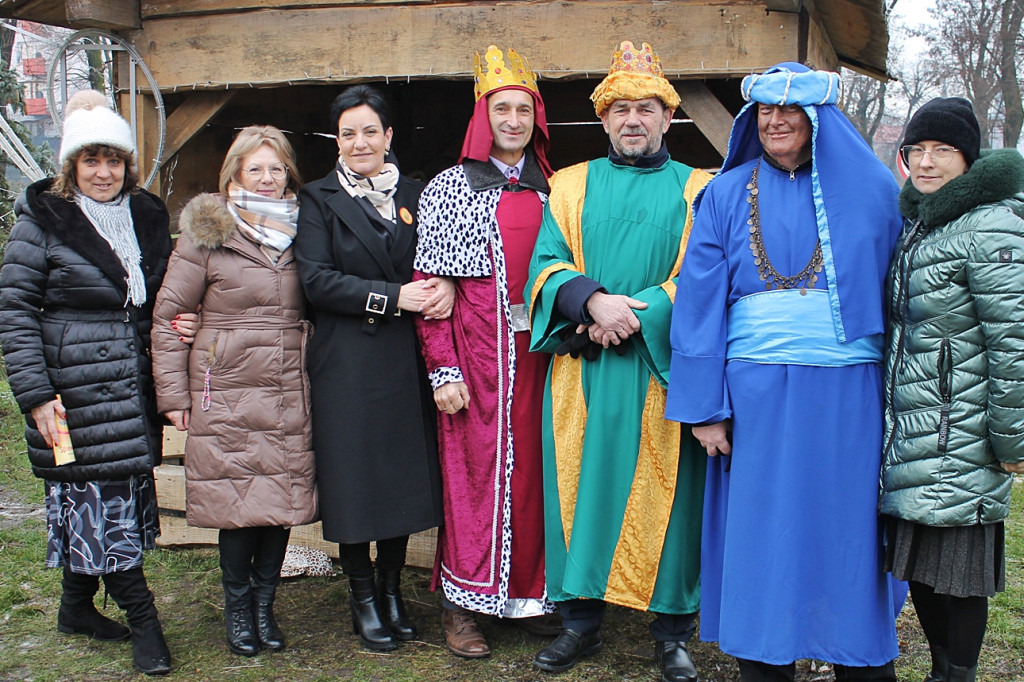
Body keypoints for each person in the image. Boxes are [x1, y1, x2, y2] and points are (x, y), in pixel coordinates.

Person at [666, 63, 903, 681]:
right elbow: (698, 306)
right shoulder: (722, 194)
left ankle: (857, 656)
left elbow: (904, 298)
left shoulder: (876, 194)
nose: (775, 121)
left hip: (847, 397)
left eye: (788, 111)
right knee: (762, 533)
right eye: (764, 111)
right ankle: (765, 661)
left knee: (846, 527)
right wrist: (706, 408)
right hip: (753, 400)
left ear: (816, 119)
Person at [524, 40, 711, 682]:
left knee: (672, 499)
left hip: (662, 373)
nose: (634, 119)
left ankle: (671, 632)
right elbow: (545, 264)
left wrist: (641, 313)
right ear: (604, 120)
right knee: (580, 491)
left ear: (668, 118)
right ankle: (579, 623)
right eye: (621, 109)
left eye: (647, 108)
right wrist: (593, 305)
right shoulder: (568, 185)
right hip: (585, 371)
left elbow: (708, 278)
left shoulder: (699, 191)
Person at [0, 90, 172, 675]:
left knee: (108, 500)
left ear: (127, 163)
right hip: (70, 393)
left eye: (114, 160)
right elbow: (15, 310)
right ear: (71, 164)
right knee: (97, 504)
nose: (104, 173)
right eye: (90, 160)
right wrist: (35, 394)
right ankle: (145, 621)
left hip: (129, 386)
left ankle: (75, 607)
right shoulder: (43, 221)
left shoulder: (146, 217)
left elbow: (159, 297)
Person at [150, 125, 318, 657]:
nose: (267, 179)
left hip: (289, 384)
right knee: (238, 506)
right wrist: (174, 397)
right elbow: (168, 318)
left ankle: (265, 608)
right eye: (256, 169)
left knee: (281, 502)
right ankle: (238, 609)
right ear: (234, 175)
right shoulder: (207, 235)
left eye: (276, 169)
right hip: (226, 389)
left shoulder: (307, 231)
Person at [414, 45, 558, 659]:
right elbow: (431, 296)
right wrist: (443, 368)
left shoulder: (557, 188)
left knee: (536, 476)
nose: (513, 120)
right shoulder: (450, 189)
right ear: (484, 116)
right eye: (502, 108)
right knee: (473, 480)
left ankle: (530, 597)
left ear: (536, 119)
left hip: (545, 358)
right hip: (478, 362)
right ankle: (464, 605)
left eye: (523, 109)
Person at [293, 84, 450, 652]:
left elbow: (440, 259)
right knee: (357, 482)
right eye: (347, 133)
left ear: (388, 136)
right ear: (337, 141)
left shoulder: (418, 194)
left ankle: (392, 591)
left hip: (406, 361)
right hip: (350, 362)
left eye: (369, 131)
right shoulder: (318, 199)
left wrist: (444, 289)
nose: (359, 142)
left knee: (401, 479)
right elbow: (315, 280)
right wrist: (394, 298)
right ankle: (362, 598)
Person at [881, 97, 1024, 682]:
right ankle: (944, 671)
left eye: (942, 150)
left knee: (959, 572)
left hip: (963, 430)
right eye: (917, 150)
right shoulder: (924, 221)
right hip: (917, 427)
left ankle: (956, 675)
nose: (928, 162)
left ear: (969, 157)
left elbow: (1013, 341)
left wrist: (1011, 441)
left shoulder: (991, 223)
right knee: (922, 564)